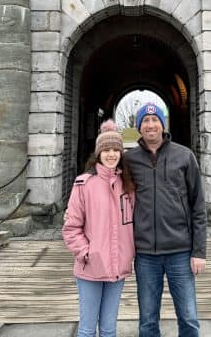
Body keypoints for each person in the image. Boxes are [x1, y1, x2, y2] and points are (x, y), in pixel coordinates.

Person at [125, 102, 207, 337]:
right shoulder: (129, 160)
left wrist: (199, 252)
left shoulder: (184, 156)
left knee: (189, 319)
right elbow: (106, 180)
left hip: (180, 251)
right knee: (147, 321)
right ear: (139, 127)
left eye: (155, 120)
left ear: (163, 125)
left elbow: (198, 206)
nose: (150, 125)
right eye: (145, 121)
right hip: (145, 254)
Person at [63, 120, 135, 337]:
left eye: (116, 150)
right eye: (106, 150)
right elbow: (71, 227)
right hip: (91, 267)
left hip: (118, 266)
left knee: (109, 329)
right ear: (98, 154)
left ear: (121, 153)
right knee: (86, 329)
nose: (111, 154)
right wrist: (86, 253)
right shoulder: (83, 184)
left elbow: (135, 222)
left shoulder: (129, 185)